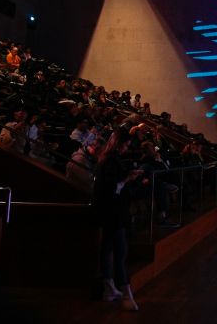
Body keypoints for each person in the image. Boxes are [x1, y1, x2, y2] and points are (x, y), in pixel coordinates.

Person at [94, 128, 140, 311]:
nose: (126, 149)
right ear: (119, 143)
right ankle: (124, 291)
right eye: (126, 145)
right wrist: (128, 178)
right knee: (120, 250)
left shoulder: (107, 159)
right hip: (112, 211)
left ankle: (110, 287)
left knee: (108, 248)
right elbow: (112, 187)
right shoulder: (110, 161)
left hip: (109, 210)